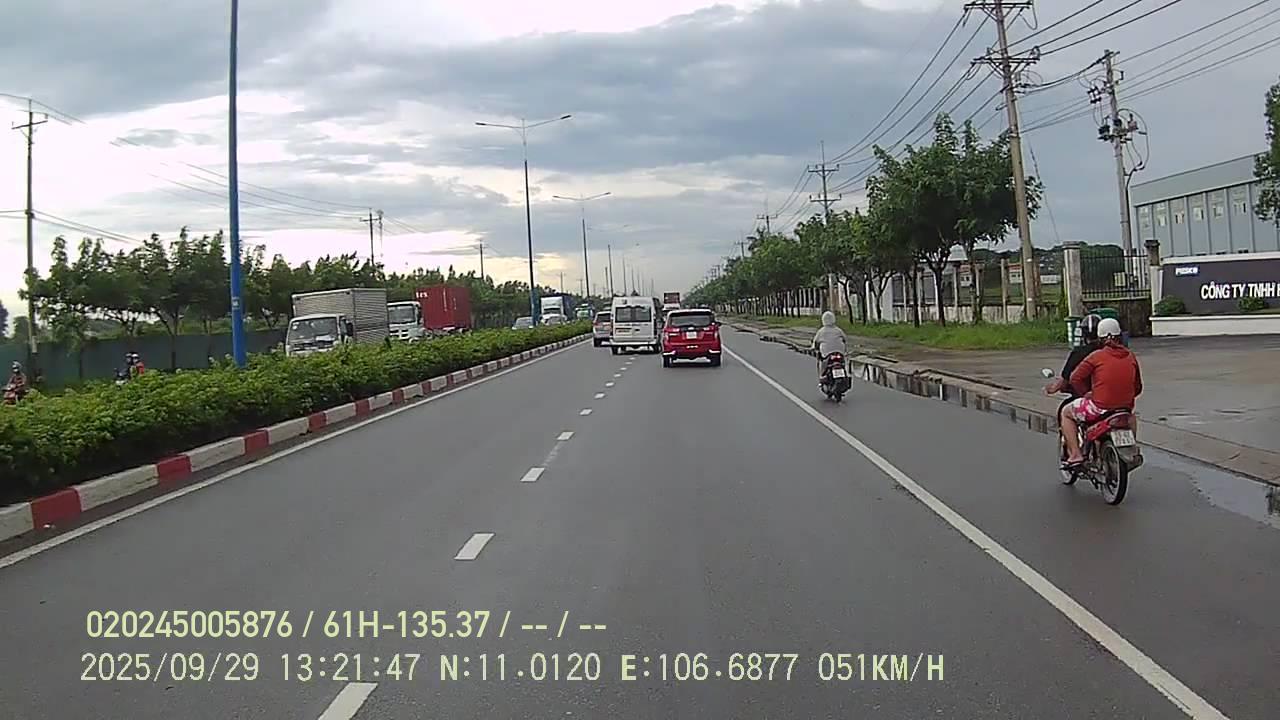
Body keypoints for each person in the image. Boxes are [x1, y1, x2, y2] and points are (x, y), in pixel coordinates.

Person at [1059, 317, 1143, 467]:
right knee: (1132, 419)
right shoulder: (1131, 356)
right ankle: (1131, 450)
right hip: (1125, 409)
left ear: (1100, 338)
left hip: (1100, 408)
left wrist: (1087, 394)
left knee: (1066, 413)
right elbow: (1138, 387)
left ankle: (1076, 454)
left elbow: (1075, 378)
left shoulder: (1096, 357)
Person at [1044, 314, 1103, 399]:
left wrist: (1053, 388)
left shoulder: (1077, 353)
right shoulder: (1112, 352)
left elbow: (1066, 379)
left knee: (1066, 408)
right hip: (1111, 396)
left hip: (1088, 397)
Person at [812, 311, 848, 384]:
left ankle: (822, 376)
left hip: (827, 353)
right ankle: (845, 373)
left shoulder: (821, 331)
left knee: (823, 363)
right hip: (840, 352)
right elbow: (845, 339)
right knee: (843, 363)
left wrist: (814, 348)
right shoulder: (838, 330)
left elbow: (815, 342)